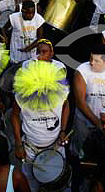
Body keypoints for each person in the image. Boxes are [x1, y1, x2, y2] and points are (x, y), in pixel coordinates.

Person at [11, 60, 70, 191]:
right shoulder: (22, 95)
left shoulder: (60, 91)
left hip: (56, 146)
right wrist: (18, 143)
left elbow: (66, 106)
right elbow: (14, 115)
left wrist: (63, 131)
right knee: (30, 185)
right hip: (30, 149)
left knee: (58, 183)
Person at [71, 44, 105, 157]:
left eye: (96, 61)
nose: (91, 63)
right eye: (90, 58)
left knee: (104, 149)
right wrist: (97, 122)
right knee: (80, 147)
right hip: (84, 120)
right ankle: (76, 163)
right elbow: (80, 102)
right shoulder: (81, 71)